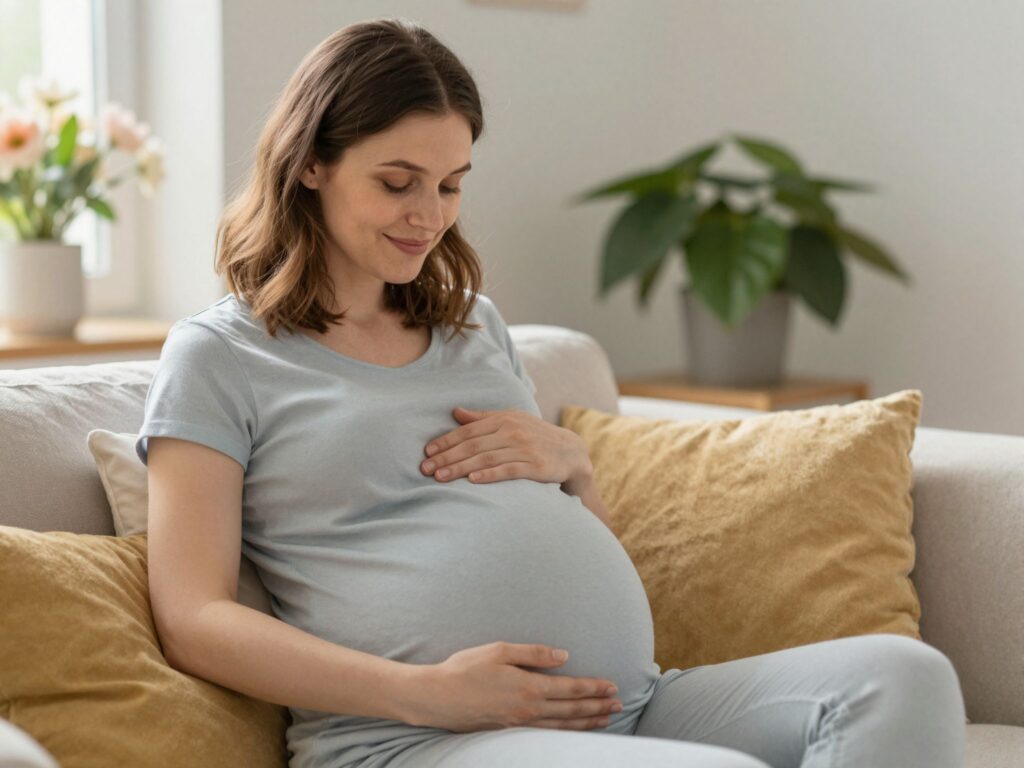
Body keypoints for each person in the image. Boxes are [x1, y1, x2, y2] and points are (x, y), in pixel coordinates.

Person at [136, 16, 967, 768]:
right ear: (311, 163)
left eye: (452, 183)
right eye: (398, 182)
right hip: (417, 738)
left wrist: (578, 469)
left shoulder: (473, 328)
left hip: (631, 708)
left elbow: (565, 534)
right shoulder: (220, 357)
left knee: (902, 678)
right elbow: (193, 618)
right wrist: (424, 692)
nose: (429, 215)